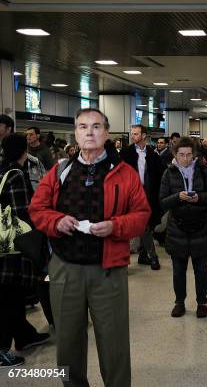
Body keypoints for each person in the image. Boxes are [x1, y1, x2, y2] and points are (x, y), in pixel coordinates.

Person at [29, 108, 151, 386]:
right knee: (68, 341)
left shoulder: (124, 173)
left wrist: (115, 226)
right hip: (65, 268)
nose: (89, 132)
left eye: (96, 127)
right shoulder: (60, 170)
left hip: (108, 270)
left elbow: (142, 215)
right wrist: (56, 221)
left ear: (106, 133)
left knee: (113, 341)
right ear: (76, 132)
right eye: (83, 127)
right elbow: (37, 209)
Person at [0, 133, 50, 367]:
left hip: (2, 243)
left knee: (13, 294)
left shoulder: (1, 170)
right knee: (10, 296)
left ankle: (24, 335)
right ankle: (2, 349)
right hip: (13, 246)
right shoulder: (16, 175)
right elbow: (23, 213)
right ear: (23, 151)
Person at [160, 137, 207, 319]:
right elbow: (162, 202)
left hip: (200, 227)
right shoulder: (168, 173)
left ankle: (202, 302)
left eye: (188, 155)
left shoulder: (203, 171)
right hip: (176, 228)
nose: (185, 159)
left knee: (200, 269)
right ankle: (179, 302)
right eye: (181, 155)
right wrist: (178, 196)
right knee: (178, 270)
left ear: (194, 155)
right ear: (175, 155)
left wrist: (199, 198)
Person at [120, 124, 163, 270]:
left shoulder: (152, 154)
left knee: (148, 226)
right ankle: (153, 257)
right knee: (143, 225)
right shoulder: (126, 153)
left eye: (136, 134)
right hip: (132, 195)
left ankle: (143, 255)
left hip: (149, 194)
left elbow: (160, 174)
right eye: (132, 134)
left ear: (144, 136)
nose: (133, 136)